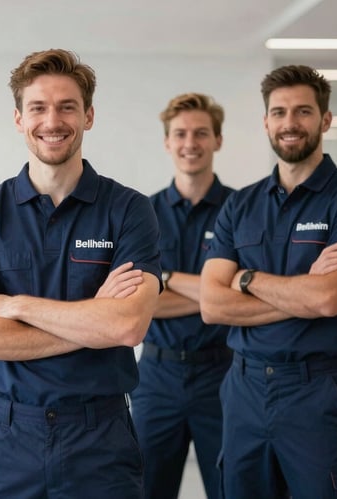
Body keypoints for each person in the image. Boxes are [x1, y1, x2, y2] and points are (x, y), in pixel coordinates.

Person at [0, 48, 161, 498]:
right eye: (38, 108)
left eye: (67, 107)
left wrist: (18, 306)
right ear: (19, 119)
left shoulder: (129, 211)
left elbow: (127, 325)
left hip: (99, 437)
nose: (52, 121)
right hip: (5, 435)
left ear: (89, 116)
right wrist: (92, 320)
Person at [200, 65, 337, 498]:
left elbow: (328, 298)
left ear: (325, 119)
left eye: (303, 111)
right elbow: (212, 305)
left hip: (317, 390)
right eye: (279, 112)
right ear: (266, 121)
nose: (290, 123)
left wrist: (244, 278)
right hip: (243, 390)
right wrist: (299, 291)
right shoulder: (239, 206)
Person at [130, 92, 234, 499]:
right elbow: (139, 301)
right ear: (167, 142)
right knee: (147, 490)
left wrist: (168, 277)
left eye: (201, 133)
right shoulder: (141, 213)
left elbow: (252, 293)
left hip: (223, 377)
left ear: (218, 141)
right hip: (157, 379)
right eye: (181, 134)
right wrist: (218, 295)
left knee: (232, 487)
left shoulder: (240, 209)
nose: (190, 143)